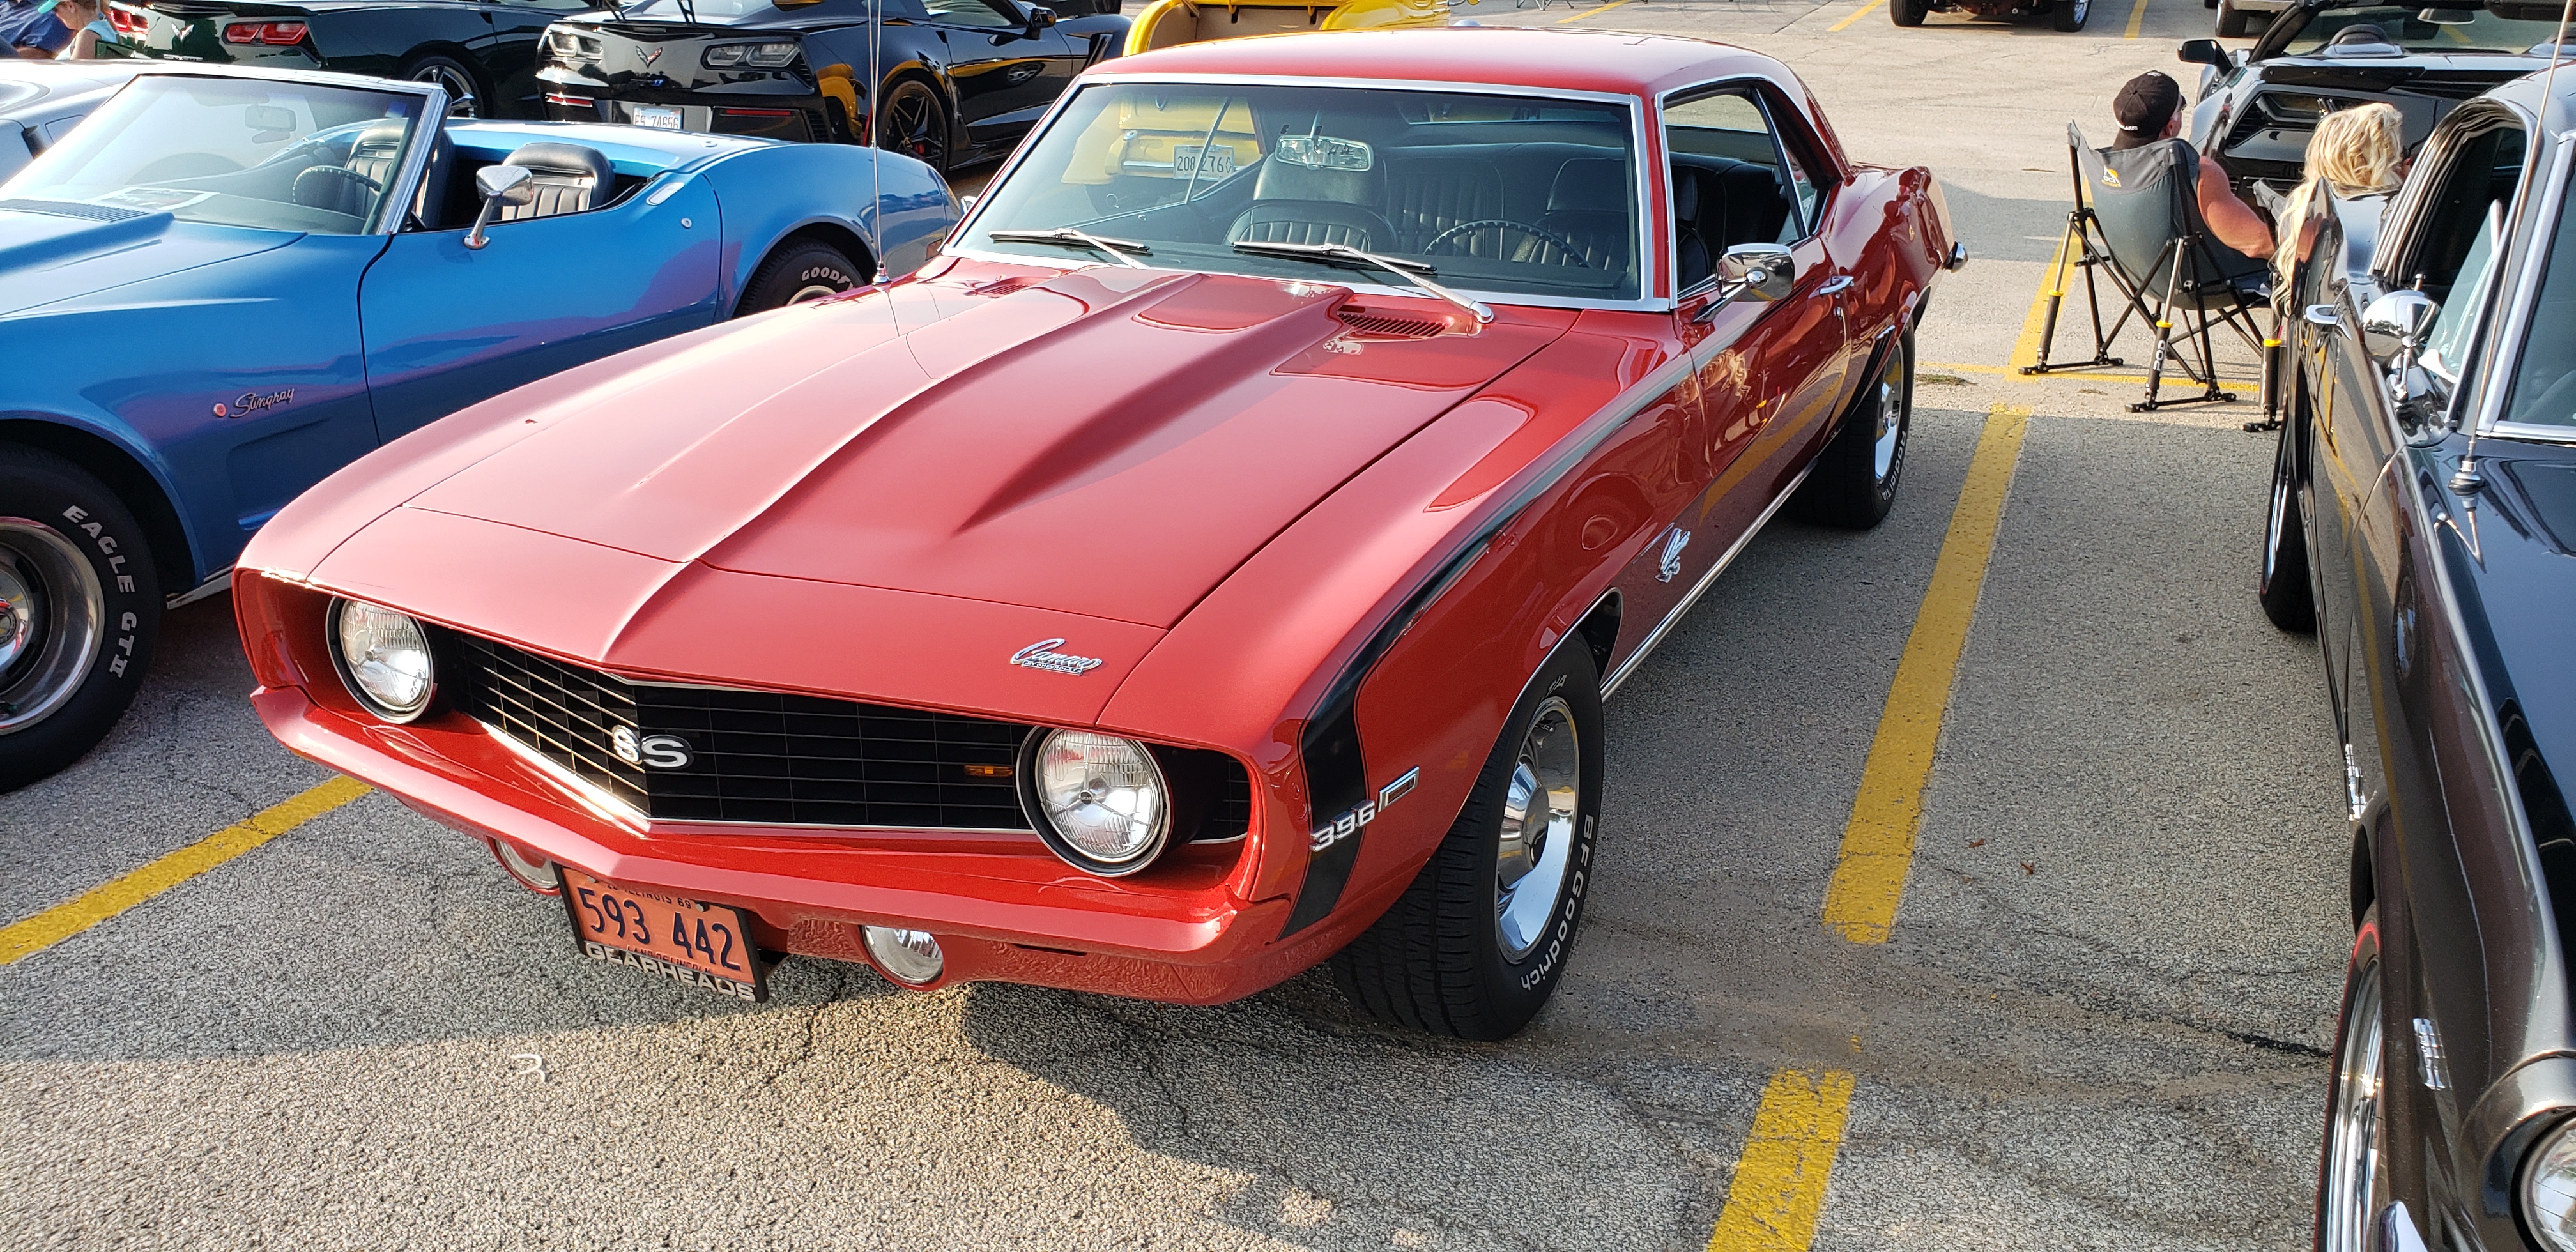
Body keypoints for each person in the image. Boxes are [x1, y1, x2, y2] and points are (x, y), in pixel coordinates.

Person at [2110, 71, 2274, 260]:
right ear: (2171, 126)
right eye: (2182, 107)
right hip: (2198, 272)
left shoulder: (2106, 170)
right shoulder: (2199, 173)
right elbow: (2258, 245)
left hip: (2139, 269)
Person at [2274, 101, 2405, 286]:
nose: (2402, 165)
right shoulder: (2376, 220)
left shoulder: (2303, 211)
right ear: (2366, 168)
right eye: (2394, 160)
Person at [2, 0, 100, 58]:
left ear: (70, 6)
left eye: (55, 10)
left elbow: (77, 76)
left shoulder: (87, 35)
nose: (57, 15)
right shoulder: (98, 30)